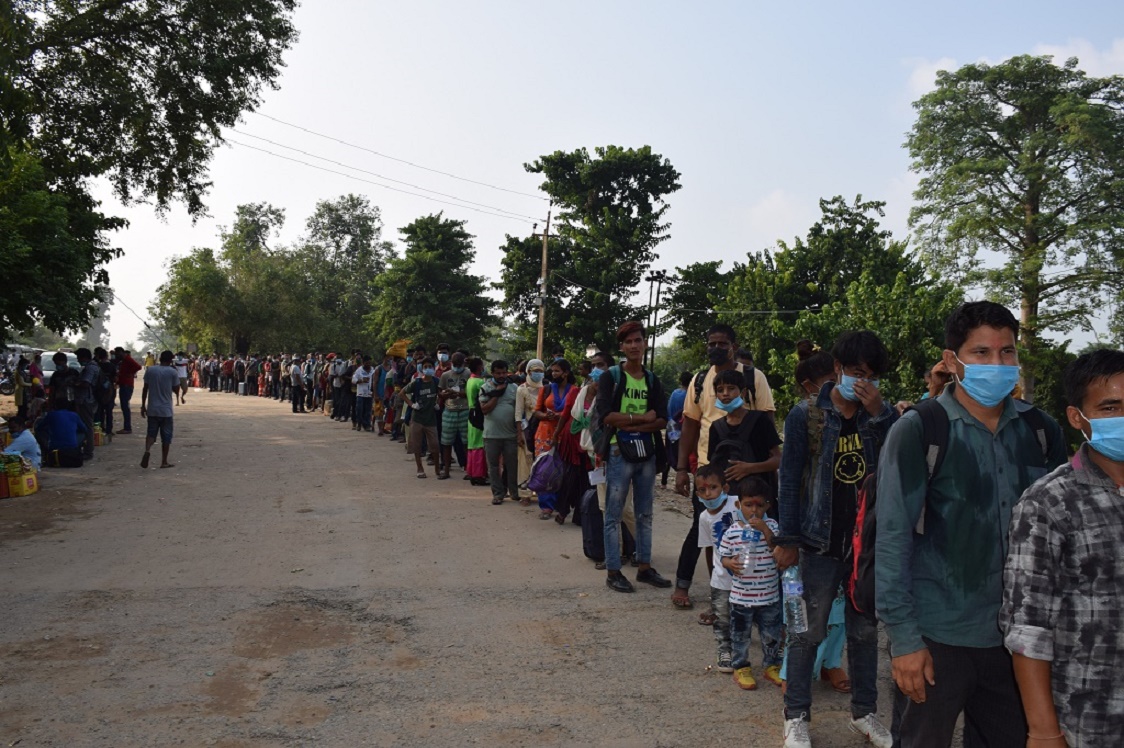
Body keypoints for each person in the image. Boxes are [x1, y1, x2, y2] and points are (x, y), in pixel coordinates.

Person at [876, 301, 1065, 748]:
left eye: (1007, 352)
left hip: (1019, 642)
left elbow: (1060, 537)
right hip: (937, 637)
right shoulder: (920, 430)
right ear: (952, 360)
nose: (997, 364)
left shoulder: (1041, 431)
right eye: (981, 353)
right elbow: (893, 538)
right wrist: (904, 640)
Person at [776, 330, 897, 748]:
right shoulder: (806, 415)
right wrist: (788, 539)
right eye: (857, 372)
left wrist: (880, 413)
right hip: (818, 542)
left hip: (865, 545)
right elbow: (789, 480)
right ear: (839, 369)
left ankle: (864, 714)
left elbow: (898, 463)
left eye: (872, 376)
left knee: (864, 633)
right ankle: (795, 716)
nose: (864, 382)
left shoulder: (879, 416)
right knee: (806, 632)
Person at [1000, 348, 1124, 747]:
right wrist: (1043, 732)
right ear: (1077, 417)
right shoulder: (1049, 502)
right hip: (1089, 721)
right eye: (1111, 407)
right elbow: (1028, 628)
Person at [672, 324, 769, 611]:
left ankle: (748, 596)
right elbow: (690, 425)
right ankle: (703, 592)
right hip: (710, 473)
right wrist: (681, 468)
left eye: (722, 343)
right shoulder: (700, 381)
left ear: (733, 346)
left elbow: (766, 425)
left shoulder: (753, 378)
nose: (715, 348)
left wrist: (761, 470)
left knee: (749, 533)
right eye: (711, 343)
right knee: (707, 532)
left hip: (748, 473)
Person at [595, 320, 670, 593]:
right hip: (618, 451)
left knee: (645, 513)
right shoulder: (611, 377)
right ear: (622, 347)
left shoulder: (652, 380)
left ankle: (644, 568)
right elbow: (606, 416)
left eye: (638, 340)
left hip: (646, 451)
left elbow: (661, 419)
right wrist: (641, 419)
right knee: (613, 514)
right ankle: (613, 571)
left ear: (645, 344)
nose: (634, 345)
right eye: (629, 342)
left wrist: (628, 423)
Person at [718, 476, 783, 691]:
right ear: (739, 505)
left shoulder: (772, 526)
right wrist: (730, 563)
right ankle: (741, 666)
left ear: (767, 506)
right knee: (740, 635)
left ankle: (771, 665)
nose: (754, 510)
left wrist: (764, 529)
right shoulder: (732, 531)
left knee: (771, 634)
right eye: (748, 505)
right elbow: (723, 557)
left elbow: (777, 549)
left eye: (759, 505)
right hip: (741, 597)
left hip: (769, 596)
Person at [694, 463, 740, 673]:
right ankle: (725, 651)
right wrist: (713, 577)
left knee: (748, 615)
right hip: (721, 579)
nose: (708, 494)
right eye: (702, 490)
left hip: (746, 575)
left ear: (725, 488)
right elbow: (709, 548)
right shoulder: (704, 518)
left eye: (713, 487)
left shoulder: (738, 504)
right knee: (722, 619)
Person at [533, 359, 575, 520]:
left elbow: (577, 411)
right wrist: (546, 415)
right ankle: (546, 506)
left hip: (566, 435)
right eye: (552, 371)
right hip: (545, 434)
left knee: (564, 470)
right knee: (545, 470)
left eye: (557, 371)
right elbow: (537, 411)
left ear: (566, 373)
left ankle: (561, 504)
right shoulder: (546, 389)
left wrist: (561, 416)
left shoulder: (575, 390)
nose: (553, 374)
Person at [480, 358, 520, 504]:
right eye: (498, 373)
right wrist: (497, 394)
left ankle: (514, 492)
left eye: (504, 373)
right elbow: (484, 409)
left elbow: (519, 411)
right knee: (493, 466)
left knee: (512, 465)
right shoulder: (485, 387)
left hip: (510, 434)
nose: (502, 376)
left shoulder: (514, 388)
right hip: (491, 435)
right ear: (492, 373)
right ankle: (498, 494)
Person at [140, 350, 180, 469]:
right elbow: (176, 390)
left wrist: (143, 405)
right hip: (166, 410)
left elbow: (145, 388)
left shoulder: (151, 370)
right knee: (166, 437)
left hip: (152, 408)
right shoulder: (172, 372)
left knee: (151, 433)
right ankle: (164, 461)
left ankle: (147, 450)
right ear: (171, 360)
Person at [403, 358, 441, 479]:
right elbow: (402, 393)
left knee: (435, 445)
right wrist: (412, 404)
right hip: (417, 419)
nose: (428, 369)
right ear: (421, 369)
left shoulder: (436, 381)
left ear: (434, 368)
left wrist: (438, 403)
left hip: (431, 419)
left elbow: (441, 393)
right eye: (425, 367)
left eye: (430, 366)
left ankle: (437, 468)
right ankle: (419, 468)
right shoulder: (417, 382)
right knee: (417, 445)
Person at [515, 359, 545, 504]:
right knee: (525, 460)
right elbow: (518, 413)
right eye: (535, 371)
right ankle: (525, 493)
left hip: (543, 430)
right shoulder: (522, 389)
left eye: (540, 371)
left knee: (542, 460)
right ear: (528, 372)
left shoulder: (546, 388)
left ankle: (541, 491)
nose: (538, 374)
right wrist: (519, 433)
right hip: (527, 430)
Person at [438, 352, 471, 479]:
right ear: (451, 363)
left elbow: (471, 392)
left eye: (459, 364)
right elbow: (440, 392)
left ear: (464, 363)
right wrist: (445, 395)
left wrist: (458, 393)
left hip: (465, 409)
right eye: (455, 364)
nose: (457, 367)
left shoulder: (468, 374)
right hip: (449, 410)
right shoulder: (445, 375)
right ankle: (446, 470)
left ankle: (469, 470)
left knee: (466, 442)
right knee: (446, 442)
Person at [36, 402, 91, 467]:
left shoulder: (51, 414)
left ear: (55, 406)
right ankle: (76, 447)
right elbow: (84, 429)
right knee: (82, 433)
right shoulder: (74, 415)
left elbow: (39, 428)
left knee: (39, 432)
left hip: (55, 448)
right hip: (71, 447)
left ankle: (44, 454)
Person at [662, 371, 692, 487]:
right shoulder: (689, 395)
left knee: (669, 452)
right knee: (681, 453)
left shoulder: (675, 393)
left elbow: (668, 409)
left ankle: (664, 481)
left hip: (671, 426)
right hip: (682, 427)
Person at [75, 348, 99, 461]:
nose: (78, 360)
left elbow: (86, 383)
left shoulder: (90, 368)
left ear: (84, 357)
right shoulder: (93, 366)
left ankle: (88, 451)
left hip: (86, 400)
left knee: (88, 426)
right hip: (88, 399)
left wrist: (75, 384)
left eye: (78, 358)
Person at [114, 347, 142, 435]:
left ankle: (127, 427)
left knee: (125, 406)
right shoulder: (123, 361)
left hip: (126, 385)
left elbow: (138, 367)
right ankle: (127, 427)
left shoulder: (127, 359)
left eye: (117, 354)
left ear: (121, 352)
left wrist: (129, 373)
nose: (116, 356)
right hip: (124, 384)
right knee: (124, 406)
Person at [352, 355, 375, 431]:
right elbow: (353, 380)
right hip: (361, 393)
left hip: (369, 393)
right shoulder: (359, 370)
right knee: (359, 409)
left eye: (369, 363)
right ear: (363, 363)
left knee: (368, 410)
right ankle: (359, 423)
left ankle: (367, 425)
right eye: (366, 363)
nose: (368, 365)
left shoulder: (373, 370)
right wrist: (361, 381)